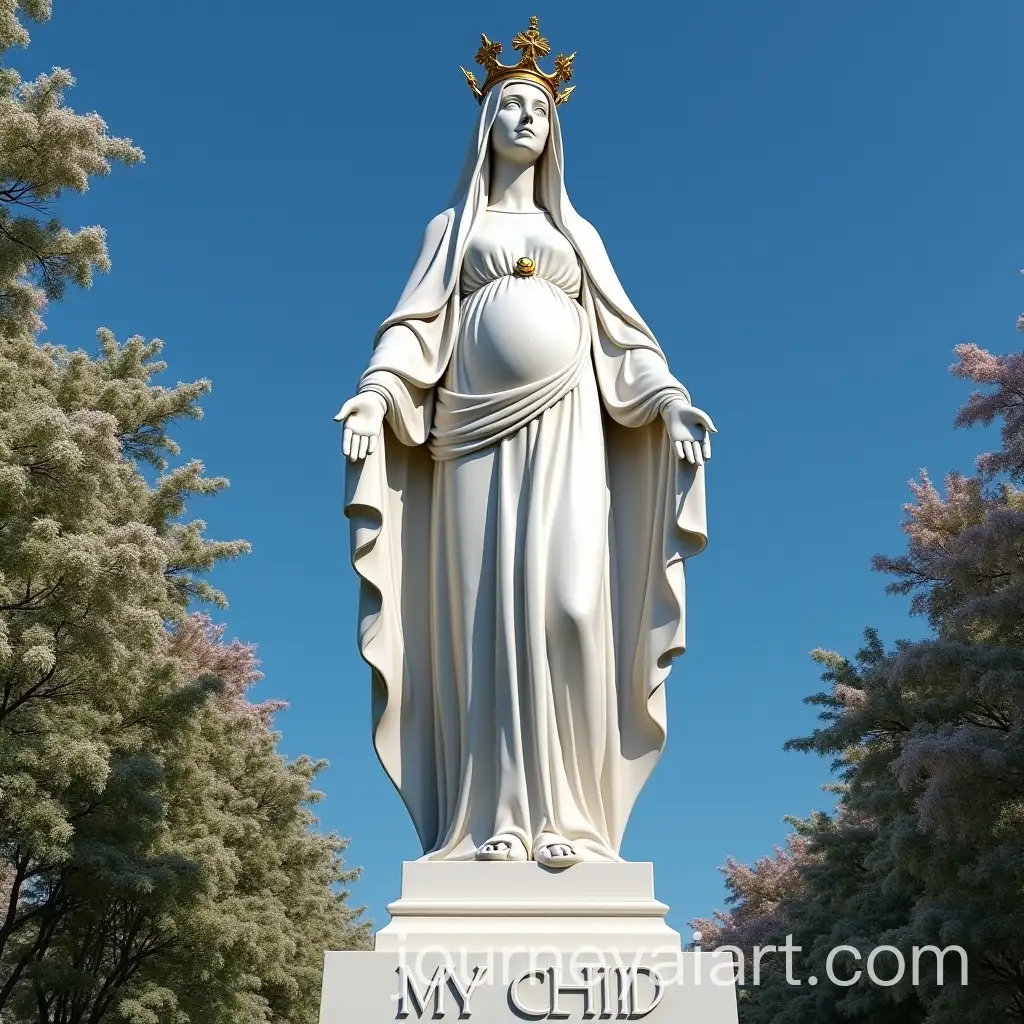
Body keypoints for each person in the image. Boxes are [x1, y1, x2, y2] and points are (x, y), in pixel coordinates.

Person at [336, 20, 714, 869]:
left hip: (572, 429)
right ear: (486, 126)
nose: (524, 116)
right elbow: (413, 326)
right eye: (509, 103)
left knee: (574, 607)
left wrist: (671, 402)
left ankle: (573, 820)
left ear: (555, 133)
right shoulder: (450, 228)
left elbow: (626, 340)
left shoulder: (582, 238)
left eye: (538, 107)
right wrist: (374, 394)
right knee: (482, 618)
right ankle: (491, 818)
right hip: (469, 437)